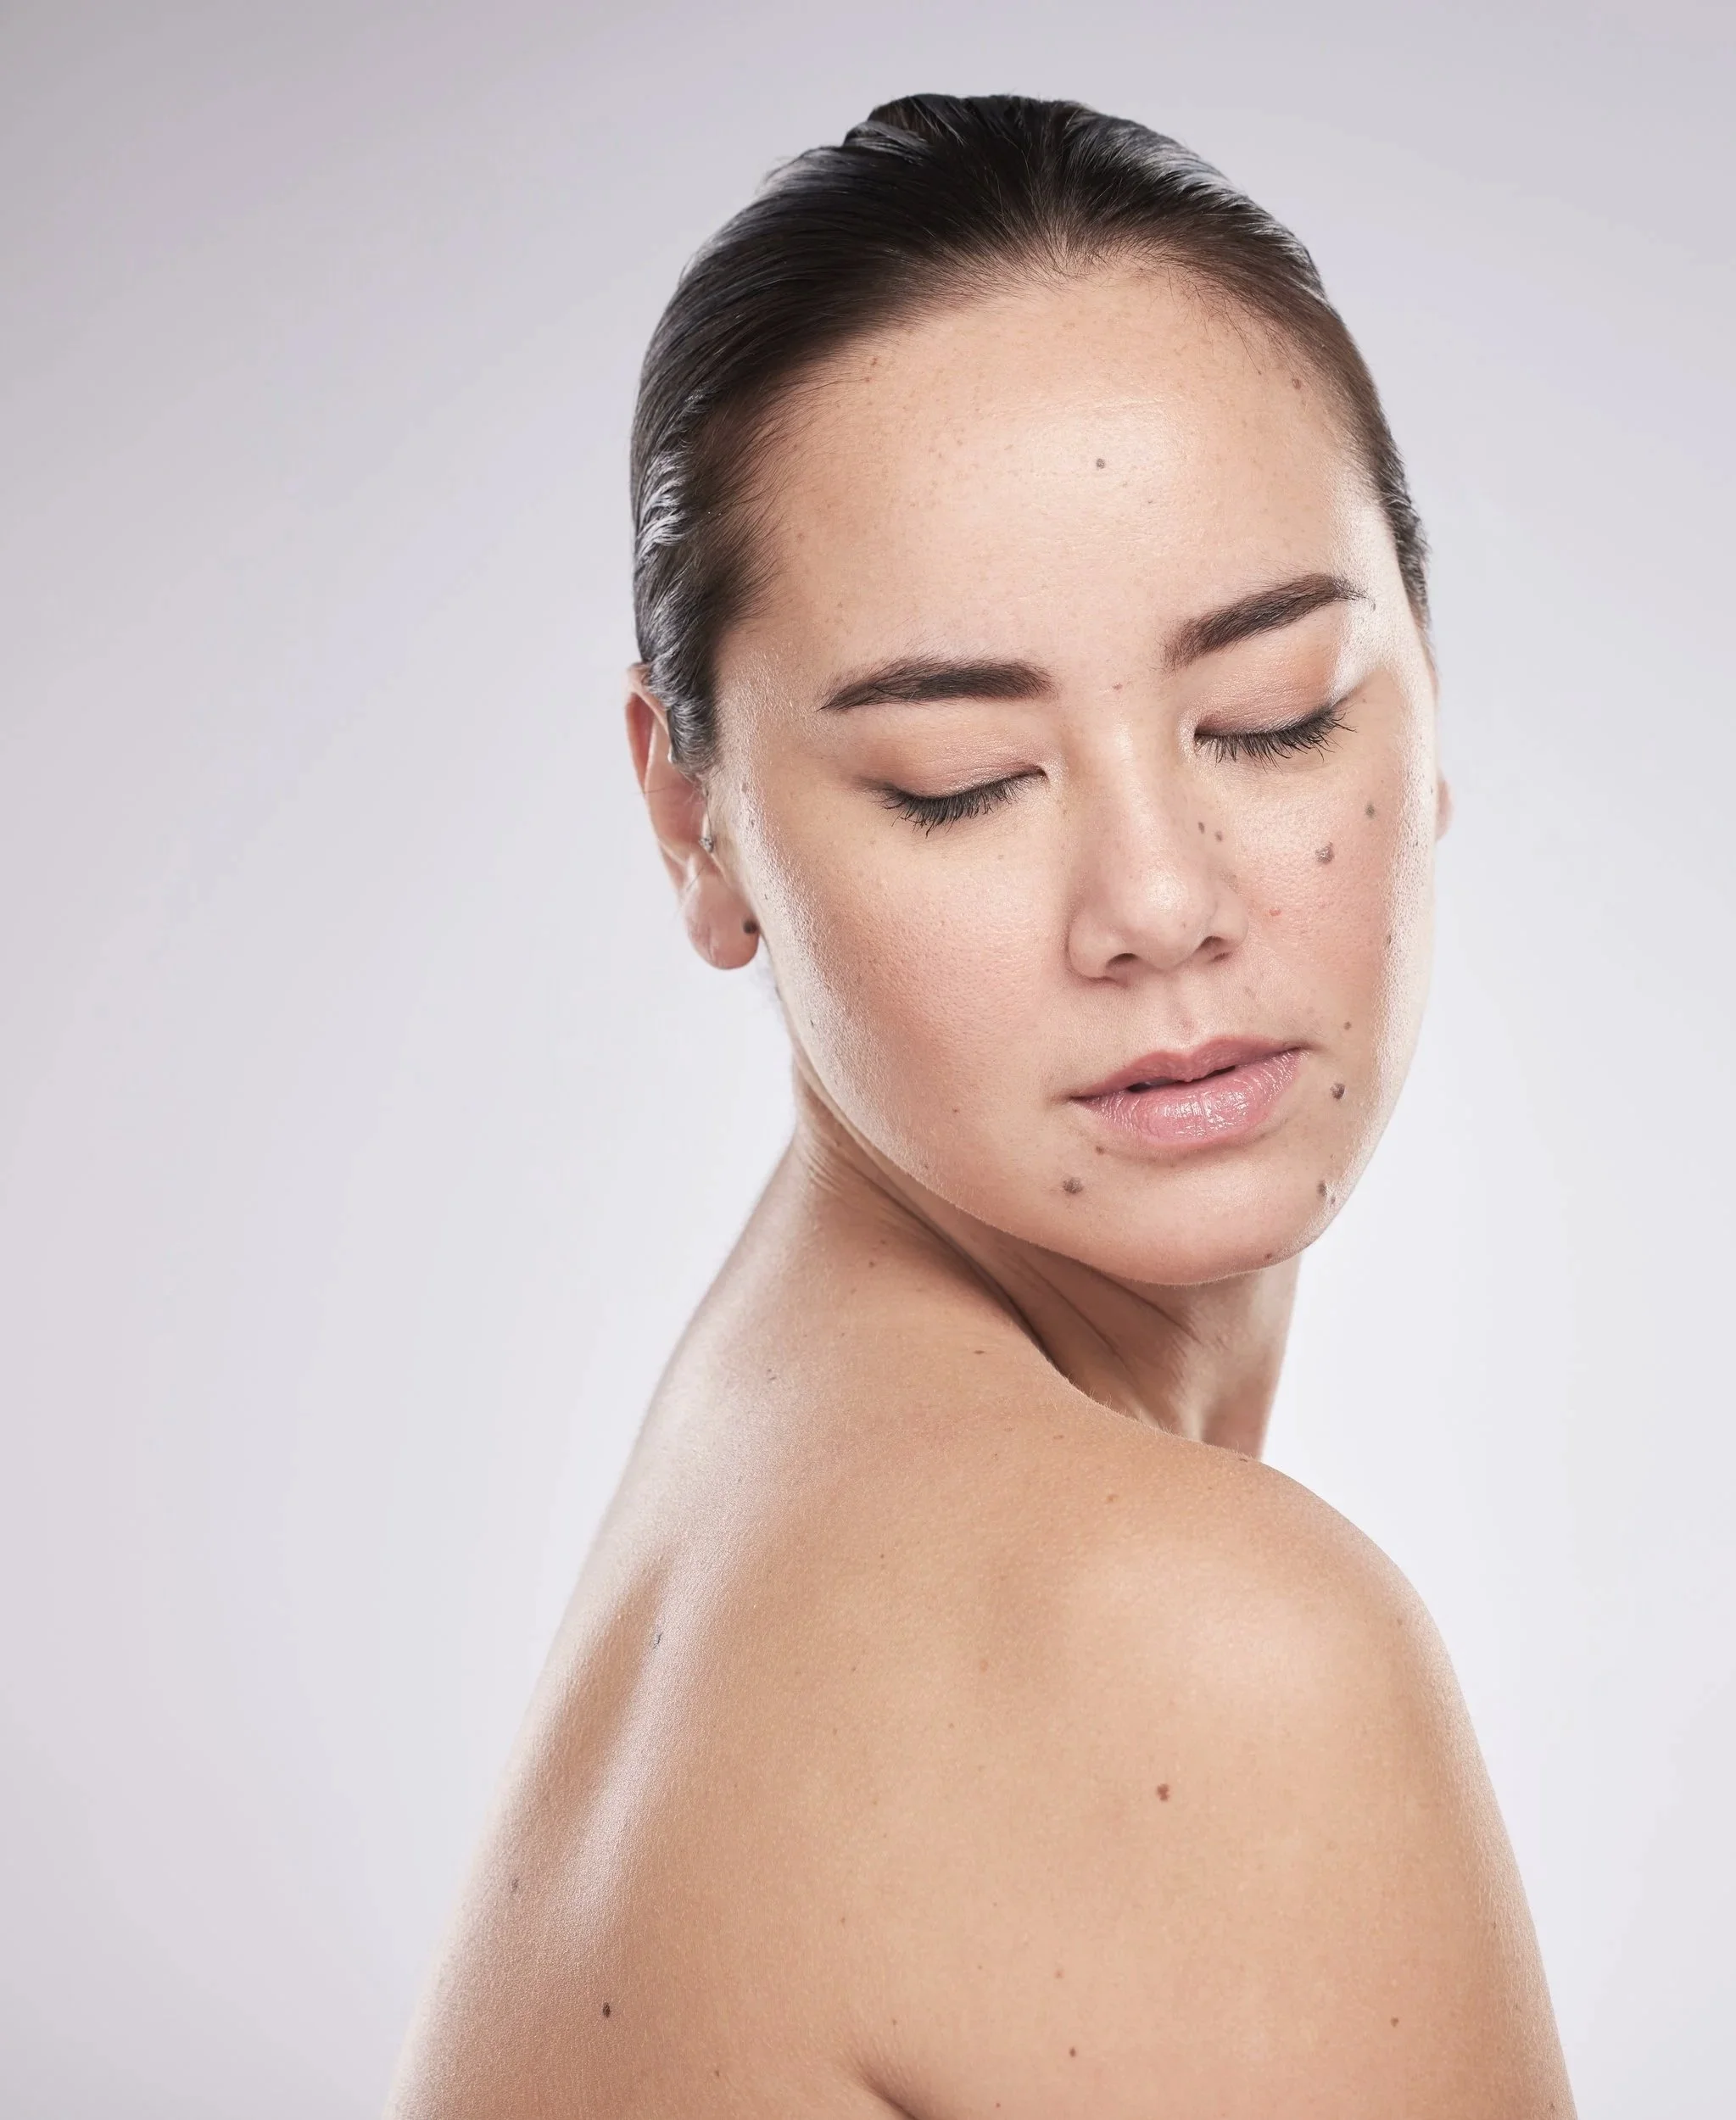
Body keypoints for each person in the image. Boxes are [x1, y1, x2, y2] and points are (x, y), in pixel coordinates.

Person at [388, 93, 1573, 2117]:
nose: (1160, 903)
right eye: (960, 773)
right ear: (695, 820)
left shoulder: (774, 1456)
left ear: (1427, 686)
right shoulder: (1169, 1639)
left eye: (1271, 713)